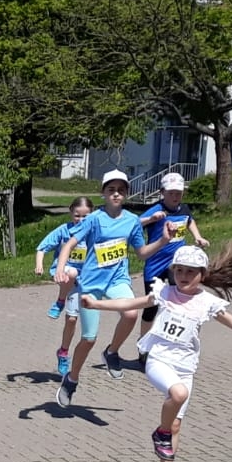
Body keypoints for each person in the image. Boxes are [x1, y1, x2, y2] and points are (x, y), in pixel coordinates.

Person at [82, 242, 232, 462]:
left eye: (190, 272)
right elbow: (129, 302)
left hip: (185, 366)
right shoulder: (164, 293)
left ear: (202, 274)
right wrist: (95, 304)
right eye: (179, 271)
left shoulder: (207, 302)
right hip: (158, 359)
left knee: (177, 423)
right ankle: (161, 433)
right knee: (177, 395)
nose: (183, 277)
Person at [54, 170, 161, 407]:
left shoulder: (132, 221)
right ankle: (71, 379)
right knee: (89, 338)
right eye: (111, 190)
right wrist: (61, 268)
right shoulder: (94, 219)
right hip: (91, 284)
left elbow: (141, 253)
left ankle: (112, 352)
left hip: (117, 280)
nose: (116, 194)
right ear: (103, 193)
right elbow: (70, 244)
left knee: (131, 312)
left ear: (126, 194)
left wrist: (162, 240)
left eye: (121, 190)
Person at [137, 173, 209, 325]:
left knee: (180, 297)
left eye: (179, 193)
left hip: (176, 263)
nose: (175, 197)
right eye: (171, 193)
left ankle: (173, 332)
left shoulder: (183, 208)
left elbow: (189, 220)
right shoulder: (156, 209)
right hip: (155, 264)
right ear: (162, 192)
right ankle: (143, 344)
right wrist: (151, 219)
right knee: (152, 305)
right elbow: (135, 223)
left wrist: (197, 236)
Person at [35, 198, 93, 376]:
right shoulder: (64, 231)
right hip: (63, 273)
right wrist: (39, 265)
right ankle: (60, 301)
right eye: (77, 216)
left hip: (83, 281)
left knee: (72, 320)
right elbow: (42, 247)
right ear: (70, 213)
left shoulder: (94, 232)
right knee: (72, 273)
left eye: (85, 216)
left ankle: (63, 352)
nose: (81, 220)